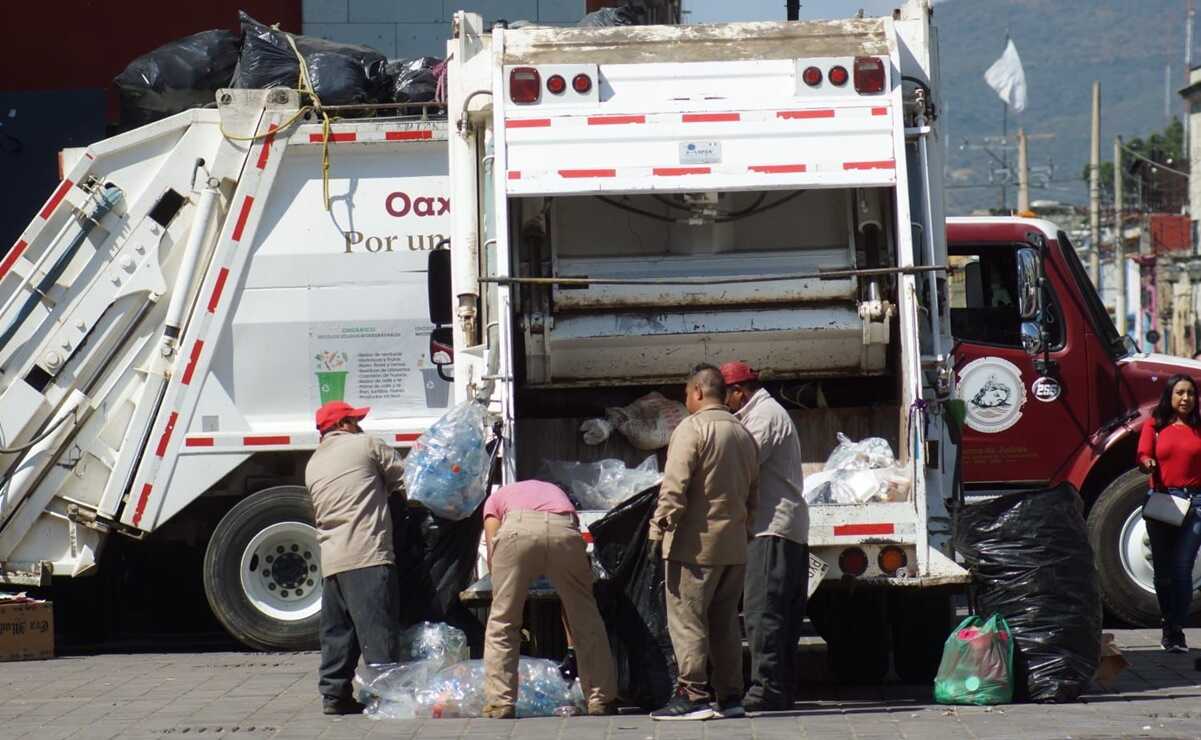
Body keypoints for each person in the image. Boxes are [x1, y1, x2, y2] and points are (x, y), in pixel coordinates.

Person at [648, 364, 759, 721]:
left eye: (686, 394)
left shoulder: (691, 429)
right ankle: (731, 696)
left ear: (697, 391)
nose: (686, 400)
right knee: (725, 623)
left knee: (688, 620)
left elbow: (674, 487)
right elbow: (754, 493)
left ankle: (693, 695)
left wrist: (657, 530)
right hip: (734, 547)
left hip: (695, 547)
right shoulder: (743, 432)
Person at [481, 479, 618, 719]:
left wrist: (504, 584)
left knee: (503, 621)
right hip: (563, 529)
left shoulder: (495, 499)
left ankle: (501, 703)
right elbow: (572, 525)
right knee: (586, 618)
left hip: (517, 531)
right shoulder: (556, 492)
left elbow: (493, 548)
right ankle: (601, 699)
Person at [304, 400, 406, 714]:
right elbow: (407, 477)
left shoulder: (313, 463)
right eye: (355, 420)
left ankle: (334, 696)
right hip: (367, 556)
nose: (360, 425)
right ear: (342, 425)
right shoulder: (366, 445)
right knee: (378, 633)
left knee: (338, 634)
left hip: (332, 561)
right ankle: (387, 699)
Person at [721, 361, 810, 713]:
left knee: (763, 611)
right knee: (781, 613)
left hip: (771, 528)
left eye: (725, 396)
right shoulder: (762, 413)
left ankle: (766, 689)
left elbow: (742, 467)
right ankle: (780, 688)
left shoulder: (763, 417)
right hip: (782, 527)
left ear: (739, 392)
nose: (724, 403)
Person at [1137, 373, 1201, 653]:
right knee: (1163, 572)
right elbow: (1142, 454)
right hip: (1163, 501)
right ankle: (1168, 625)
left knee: (1182, 568)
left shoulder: (1199, 427)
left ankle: (1176, 630)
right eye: (1180, 393)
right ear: (1170, 396)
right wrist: (1147, 462)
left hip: (1196, 504)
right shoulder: (1155, 424)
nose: (1186, 398)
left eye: (1191, 393)